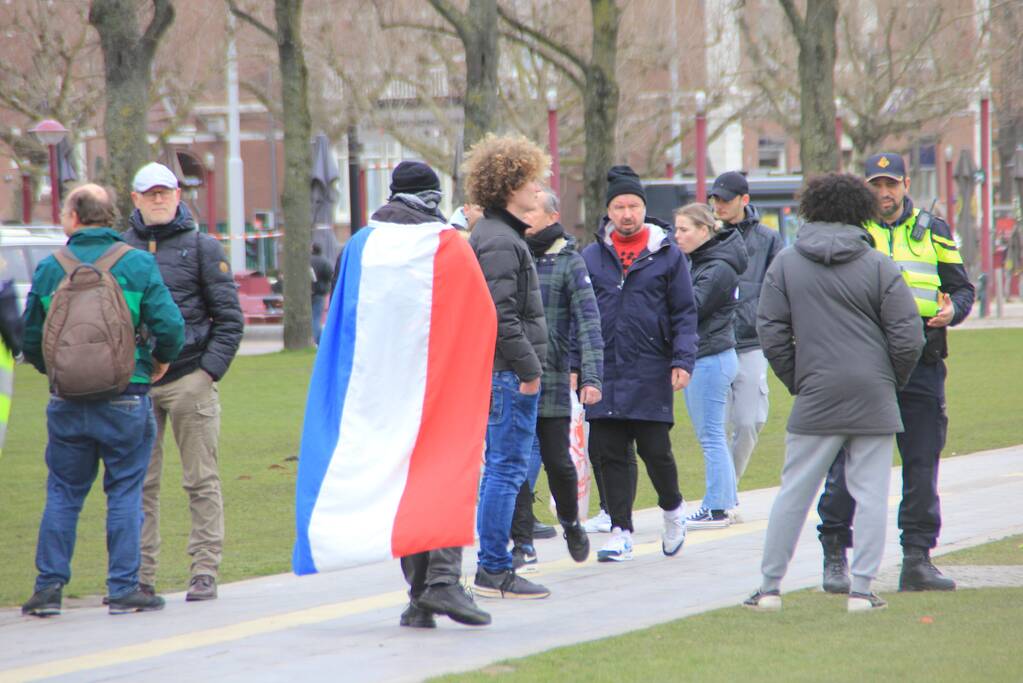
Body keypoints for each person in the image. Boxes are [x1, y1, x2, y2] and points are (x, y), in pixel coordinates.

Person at [744, 173, 924, 613]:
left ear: (811, 208)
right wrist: (888, 381)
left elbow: (769, 330)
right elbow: (908, 336)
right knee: (872, 494)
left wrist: (798, 379)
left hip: (816, 392)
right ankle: (862, 591)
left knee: (794, 492)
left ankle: (769, 588)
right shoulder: (880, 264)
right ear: (860, 210)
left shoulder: (786, 262)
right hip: (872, 392)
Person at [20, 183, 185, 616]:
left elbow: (32, 338)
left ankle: (49, 588)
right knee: (126, 491)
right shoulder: (137, 264)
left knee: (63, 491)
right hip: (126, 394)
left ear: (74, 217)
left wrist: (55, 371)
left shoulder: (50, 269)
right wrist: (158, 363)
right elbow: (171, 328)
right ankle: (124, 586)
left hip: (67, 400)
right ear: (111, 216)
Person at [816, 153, 975, 593]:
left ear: (906, 183)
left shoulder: (933, 229)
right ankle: (834, 556)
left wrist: (953, 311)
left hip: (922, 361)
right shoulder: (850, 231)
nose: (884, 194)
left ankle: (917, 559)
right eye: (875, 185)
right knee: (849, 461)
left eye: (891, 184)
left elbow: (962, 287)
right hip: (864, 364)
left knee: (922, 462)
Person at [351, 160, 490, 629]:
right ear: (433, 197)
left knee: (405, 484)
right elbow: (480, 313)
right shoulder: (446, 243)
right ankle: (443, 582)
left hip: (382, 386)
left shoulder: (361, 246)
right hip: (441, 381)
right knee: (450, 473)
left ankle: (418, 597)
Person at [123, 162, 244, 602]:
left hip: (189, 377)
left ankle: (204, 569)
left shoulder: (203, 247)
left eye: (165, 192)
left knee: (201, 479)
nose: (158, 199)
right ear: (135, 199)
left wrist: (207, 372)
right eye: (149, 193)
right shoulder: (121, 250)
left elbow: (229, 318)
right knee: (139, 484)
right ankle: (138, 575)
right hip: (136, 385)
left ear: (177, 195)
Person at [581, 165, 698, 562]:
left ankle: (673, 510)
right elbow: (579, 315)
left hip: (651, 366)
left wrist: (683, 358)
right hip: (605, 369)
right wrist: (578, 363)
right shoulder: (591, 257)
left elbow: (684, 312)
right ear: (608, 211)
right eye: (619, 206)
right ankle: (620, 530)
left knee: (655, 450)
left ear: (644, 209)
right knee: (609, 451)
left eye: (633, 206)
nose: (626, 214)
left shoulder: (667, 255)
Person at [465, 134, 551, 599]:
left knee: (503, 468)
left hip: (504, 371)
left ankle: (493, 563)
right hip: (508, 374)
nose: (538, 190)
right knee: (505, 468)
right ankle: (494, 568)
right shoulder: (499, 240)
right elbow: (501, 315)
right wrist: (530, 370)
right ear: (509, 185)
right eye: (531, 181)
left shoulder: (499, 235)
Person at [509, 187, 602, 569]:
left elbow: (589, 321)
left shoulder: (568, 261)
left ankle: (570, 524)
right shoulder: (510, 254)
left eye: (532, 212)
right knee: (510, 461)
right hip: (510, 376)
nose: (524, 218)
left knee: (558, 461)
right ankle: (521, 542)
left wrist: (591, 376)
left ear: (551, 217)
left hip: (551, 377)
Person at [673, 203, 748, 528]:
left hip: (710, 357)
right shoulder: (703, 262)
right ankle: (726, 503)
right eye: (676, 229)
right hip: (710, 356)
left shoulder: (716, 267)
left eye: (684, 229)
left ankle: (716, 508)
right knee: (714, 433)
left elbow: (691, 306)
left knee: (711, 435)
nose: (677, 236)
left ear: (704, 231)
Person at [709, 171, 783, 498]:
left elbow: (777, 289)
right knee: (716, 428)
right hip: (711, 344)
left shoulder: (768, 240)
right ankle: (724, 497)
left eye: (726, 199)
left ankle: (729, 488)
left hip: (751, 343)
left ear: (745, 200)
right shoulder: (703, 233)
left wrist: (754, 318)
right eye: (715, 198)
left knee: (749, 422)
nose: (719, 204)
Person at [310, 243, 332, 344]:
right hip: (319, 291)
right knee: (316, 317)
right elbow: (330, 275)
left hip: (308, 292)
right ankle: (317, 340)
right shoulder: (324, 261)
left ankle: (314, 339)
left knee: (313, 317)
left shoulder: (307, 261)